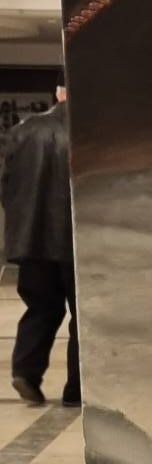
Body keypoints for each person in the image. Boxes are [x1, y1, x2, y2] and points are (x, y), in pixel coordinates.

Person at [1, 74, 80, 408]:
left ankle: (26, 371)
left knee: (40, 308)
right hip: (77, 241)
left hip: (32, 241)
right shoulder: (89, 131)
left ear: (58, 93)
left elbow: (7, 186)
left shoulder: (23, 131)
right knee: (82, 317)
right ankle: (76, 390)